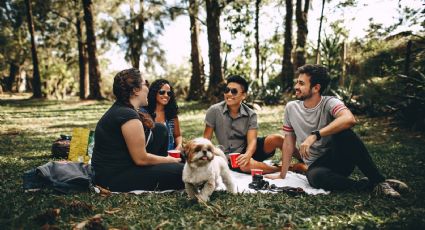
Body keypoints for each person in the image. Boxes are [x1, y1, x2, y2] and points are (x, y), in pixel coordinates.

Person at [266, 64, 407, 198]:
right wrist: (282, 174)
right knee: (314, 177)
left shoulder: (330, 102)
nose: (296, 86)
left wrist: (315, 135)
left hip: (339, 158)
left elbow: (349, 119)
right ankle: (368, 185)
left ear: (316, 88)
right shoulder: (291, 108)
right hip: (317, 166)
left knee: (344, 132)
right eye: (297, 82)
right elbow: (289, 143)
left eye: (301, 83)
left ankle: (378, 181)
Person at [91, 68, 184, 192]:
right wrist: (169, 160)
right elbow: (141, 159)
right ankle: (167, 169)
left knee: (160, 129)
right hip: (114, 177)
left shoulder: (124, 109)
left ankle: (165, 168)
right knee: (185, 172)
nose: (148, 88)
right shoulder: (127, 115)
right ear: (135, 90)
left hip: (126, 166)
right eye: (146, 83)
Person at [203, 75, 284, 174]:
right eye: (227, 90)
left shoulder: (251, 114)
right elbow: (206, 140)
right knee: (244, 165)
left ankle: (304, 160)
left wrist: (248, 154)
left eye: (234, 91)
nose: (229, 94)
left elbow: (252, 141)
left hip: (250, 149)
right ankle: (282, 169)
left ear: (243, 95)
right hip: (231, 157)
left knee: (277, 138)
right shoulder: (214, 111)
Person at [141, 79, 182, 151]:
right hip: (151, 156)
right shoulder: (143, 113)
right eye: (162, 92)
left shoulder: (171, 113)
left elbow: (177, 135)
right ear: (154, 93)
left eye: (169, 93)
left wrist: (179, 146)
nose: (166, 95)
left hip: (170, 155)